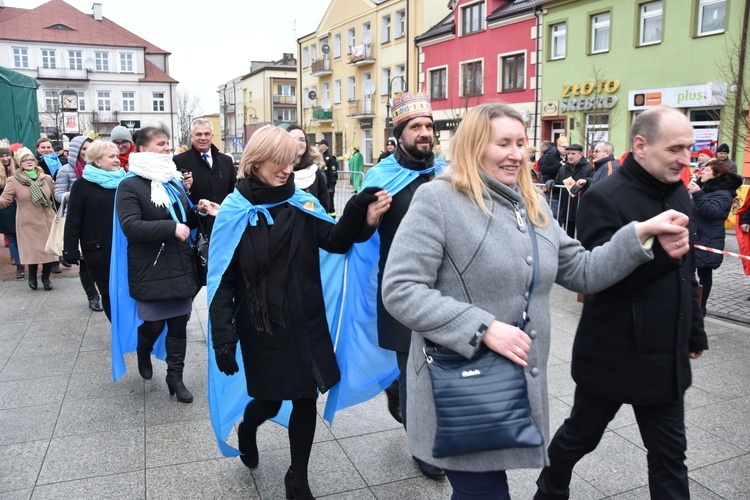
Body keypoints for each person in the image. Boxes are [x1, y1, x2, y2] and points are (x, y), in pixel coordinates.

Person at [380, 103, 692, 499]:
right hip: (461, 388)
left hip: (513, 389)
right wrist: (482, 327)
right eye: (503, 143)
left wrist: (639, 235)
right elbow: (401, 289)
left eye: (521, 143)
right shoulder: (438, 199)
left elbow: (583, 270)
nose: (516, 153)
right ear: (474, 146)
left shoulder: (531, 202)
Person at [207, 124, 391, 499]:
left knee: (306, 398)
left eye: (290, 162)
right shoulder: (234, 211)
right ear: (256, 162)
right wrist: (223, 337)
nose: (286, 170)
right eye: (278, 162)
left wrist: (361, 213)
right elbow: (222, 280)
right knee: (270, 398)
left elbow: (336, 242)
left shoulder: (302, 203)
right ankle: (248, 427)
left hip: (306, 321)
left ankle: (298, 477)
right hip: (261, 327)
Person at [535, 106, 709, 500]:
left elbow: (687, 268)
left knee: (670, 457)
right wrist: (661, 255)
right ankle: (551, 485)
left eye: (690, 148)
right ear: (641, 146)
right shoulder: (604, 196)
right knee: (580, 437)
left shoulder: (679, 192)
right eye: (676, 148)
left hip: (665, 355)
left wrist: (693, 330)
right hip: (613, 353)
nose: (687, 159)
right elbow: (598, 281)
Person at [370, 91, 447, 480]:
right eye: (415, 126)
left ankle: (406, 402)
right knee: (412, 367)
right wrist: (367, 218)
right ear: (398, 134)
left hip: (444, 287)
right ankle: (421, 445)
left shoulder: (448, 173)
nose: (424, 133)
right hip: (399, 287)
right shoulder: (381, 178)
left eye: (428, 126)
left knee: (438, 367)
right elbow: (359, 234)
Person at [111, 125, 217, 401]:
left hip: (180, 266)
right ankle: (144, 351)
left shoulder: (171, 181)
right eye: (161, 144)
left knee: (180, 322)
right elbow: (131, 227)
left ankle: (175, 377)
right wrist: (170, 228)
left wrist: (198, 210)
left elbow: (185, 221)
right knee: (155, 324)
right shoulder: (129, 185)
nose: (168, 148)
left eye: (168, 143)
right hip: (150, 268)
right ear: (143, 149)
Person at [62, 140, 127, 321]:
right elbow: (74, 219)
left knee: (127, 287)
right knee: (107, 290)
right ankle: (117, 326)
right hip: (99, 248)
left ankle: (131, 327)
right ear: (97, 161)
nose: (117, 160)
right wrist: (70, 249)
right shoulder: (82, 185)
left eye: (117, 156)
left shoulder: (125, 181)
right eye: (111, 156)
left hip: (125, 245)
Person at [688, 160, 742, 316]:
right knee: (688, 270)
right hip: (696, 236)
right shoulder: (705, 188)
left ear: (716, 174)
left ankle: (700, 307)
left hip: (708, 239)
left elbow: (711, 211)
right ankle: (690, 303)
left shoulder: (723, 193)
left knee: (704, 272)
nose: (703, 172)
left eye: (707, 170)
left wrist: (697, 193)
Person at [55, 135, 103, 312]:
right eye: (84, 149)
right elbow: (58, 194)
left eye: (90, 148)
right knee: (85, 261)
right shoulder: (66, 170)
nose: (87, 152)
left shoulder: (99, 168)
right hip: (77, 219)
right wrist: (76, 196)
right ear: (76, 151)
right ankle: (92, 295)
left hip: (97, 218)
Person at [0, 148, 57, 290]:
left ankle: (46, 277)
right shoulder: (13, 181)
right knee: (32, 251)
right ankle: (32, 275)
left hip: (47, 219)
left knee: (48, 250)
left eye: (31, 159)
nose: (29, 162)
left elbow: (55, 198)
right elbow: (5, 200)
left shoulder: (46, 178)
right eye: (25, 160)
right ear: (20, 163)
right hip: (28, 222)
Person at [173, 118, 237, 233]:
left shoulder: (226, 161)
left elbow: (234, 192)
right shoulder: (178, 161)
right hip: (196, 228)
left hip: (223, 224)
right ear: (191, 136)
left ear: (212, 136)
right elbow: (177, 197)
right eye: (199, 134)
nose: (203, 138)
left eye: (207, 134)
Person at [287, 124, 330, 210]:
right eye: (293, 139)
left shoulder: (314, 171)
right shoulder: (279, 171)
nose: (299, 143)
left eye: (302, 139)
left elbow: (324, 203)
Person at [554, 143, 593, 238]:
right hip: (567, 209)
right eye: (568, 154)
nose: (570, 156)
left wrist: (587, 181)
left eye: (573, 154)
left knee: (582, 237)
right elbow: (557, 183)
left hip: (581, 209)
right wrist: (551, 183)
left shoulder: (588, 169)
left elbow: (594, 182)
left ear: (580, 155)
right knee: (568, 236)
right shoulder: (563, 169)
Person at [0, 147, 23, 278]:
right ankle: (19, 265)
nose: (5, 158)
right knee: (12, 239)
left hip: (19, 206)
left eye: (7, 156)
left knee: (23, 237)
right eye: (2, 156)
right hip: (4, 210)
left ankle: (28, 262)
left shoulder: (18, 171)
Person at [317, 140, 338, 217]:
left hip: (328, 186)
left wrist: (331, 187)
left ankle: (332, 219)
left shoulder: (330, 159)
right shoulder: (319, 158)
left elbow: (334, 174)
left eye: (319, 145)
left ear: (324, 147)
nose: (318, 147)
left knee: (330, 205)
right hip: (321, 186)